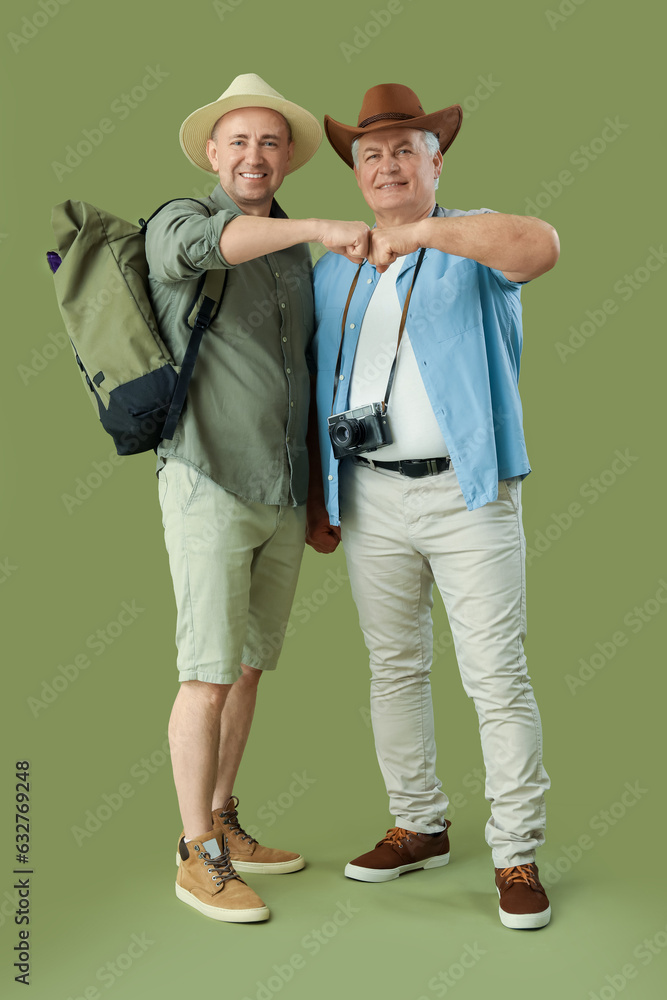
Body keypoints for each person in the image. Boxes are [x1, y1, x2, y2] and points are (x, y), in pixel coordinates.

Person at [309, 83, 560, 929]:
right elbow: (320, 387)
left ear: (434, 161)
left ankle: (516, 851)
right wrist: (322, 494)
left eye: (403, 150)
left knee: (495, 675)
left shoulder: (471, 241)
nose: (385, 165)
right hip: (370, 495)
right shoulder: (332, 271)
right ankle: (418, 824)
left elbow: (541, 247)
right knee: (394, 670)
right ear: (355, 173)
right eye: (370, 154)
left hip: (468, 492)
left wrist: (417, 234)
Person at [145, 73, 366, 923]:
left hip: (280, 489)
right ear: (212, 152)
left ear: (285, 158)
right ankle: (193, 851)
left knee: (246, 666)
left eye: (270, 143)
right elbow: (192, 255)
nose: (253, 155)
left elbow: (303, 377)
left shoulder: (293, 255)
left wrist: (316, 496)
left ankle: (225, 820)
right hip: (205, 478)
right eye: (237, 141)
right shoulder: (178, 220)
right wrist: (314, 224)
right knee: (204, 671)